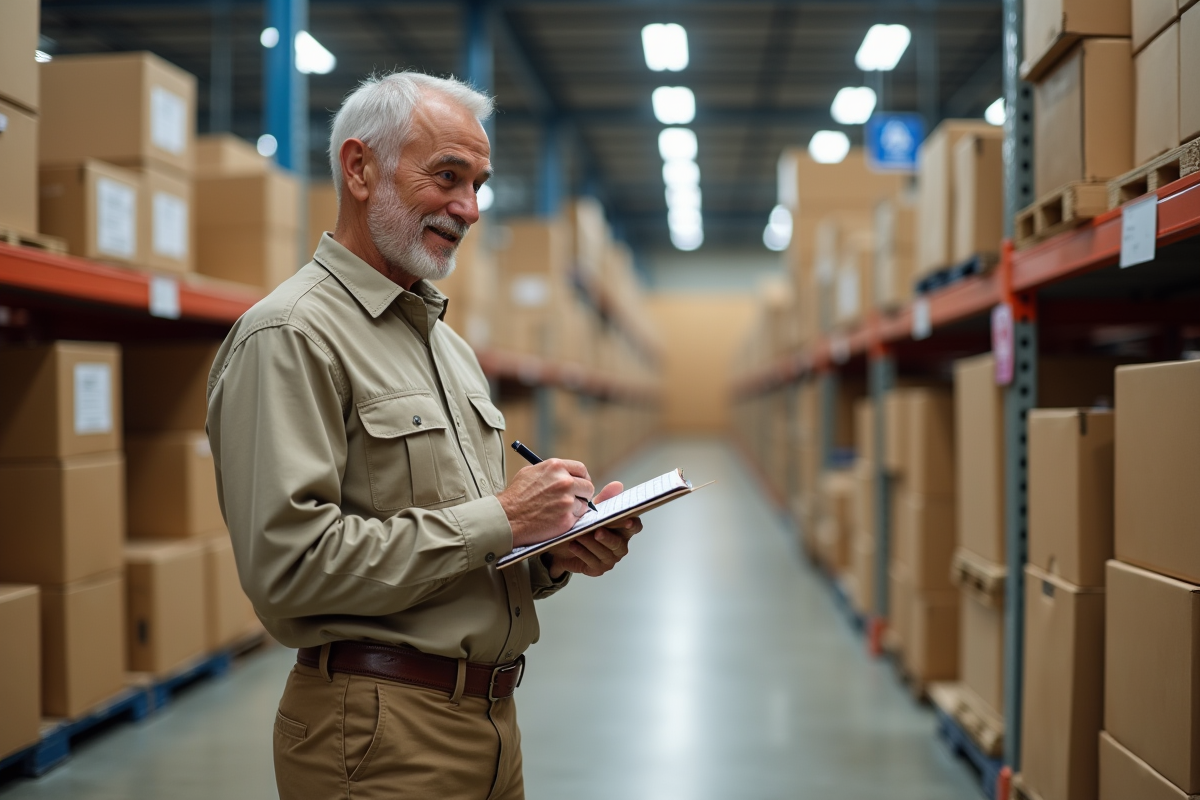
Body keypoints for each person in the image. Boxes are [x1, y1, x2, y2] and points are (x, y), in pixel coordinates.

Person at [205, 71, 642, 800]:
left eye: (478, 184)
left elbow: (462, 547)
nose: (469, 208)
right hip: (378, 736)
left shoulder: (448, 348)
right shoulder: (291, 335)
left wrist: (548, 553)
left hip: (492, 726)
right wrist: (505, 517)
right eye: (447, 177)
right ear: (359, 169)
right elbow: (289, 572)